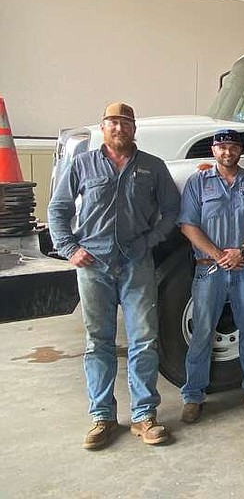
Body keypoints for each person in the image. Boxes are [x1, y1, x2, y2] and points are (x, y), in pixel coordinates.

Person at [48, 102, 180, 450]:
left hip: (137, 264)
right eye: (112, 123)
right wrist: (69, 248)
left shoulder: (153, 167)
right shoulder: (82, 164)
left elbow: (171, 211)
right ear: (102, 127)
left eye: (125, 123)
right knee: (98, 343)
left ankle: (144, 416)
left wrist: (151, 240)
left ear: (134, 129)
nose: (119, 128)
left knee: (144, 340)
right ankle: (102, 417)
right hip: (94, 265)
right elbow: (58, 209)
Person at [177, 129, 244, 423]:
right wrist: (219, 254)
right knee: (202, 332)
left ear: (240, 151)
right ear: (213, 150)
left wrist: (242, 251)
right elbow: (187, 225)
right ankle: (193, 395)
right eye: (221, 147)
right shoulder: (198, 182)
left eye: (232, 147)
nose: (227, 152)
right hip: (209, 269)